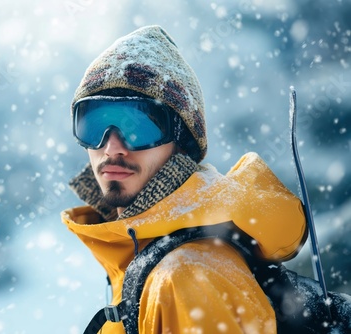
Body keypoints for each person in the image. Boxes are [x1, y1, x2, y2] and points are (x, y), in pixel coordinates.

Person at [60, 25, 307, 333]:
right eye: (93, 124)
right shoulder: (144, 253)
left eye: (138, 126)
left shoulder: (185, 276)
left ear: (182, 140)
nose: (111, 147)